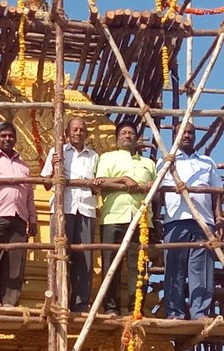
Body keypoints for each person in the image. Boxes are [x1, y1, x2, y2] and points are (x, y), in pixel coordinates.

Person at [159, 121, 224, 320]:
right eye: (183, 133)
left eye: (191, 133)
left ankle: (200, 312)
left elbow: (217, 193)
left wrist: (219, 217)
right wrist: (155, 219)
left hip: (203, 221)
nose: (187, 136)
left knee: (201, 269)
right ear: (175, 136)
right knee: (174, 268)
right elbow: (157, 195)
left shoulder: (206, 162)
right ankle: (175, 312)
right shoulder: (166, 162)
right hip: (175, 221)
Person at [95, 120, 156, 315]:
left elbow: (157, 189)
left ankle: (135, 309)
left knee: (139, 266)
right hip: (114, 215)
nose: (128, 136)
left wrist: (151, 186)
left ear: (137, 139)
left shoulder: (148, 163)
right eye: (124, 133)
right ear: (117, 138)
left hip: (141, 218)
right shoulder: (107, 157)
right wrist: (123, 180)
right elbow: (100, 182)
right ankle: (111, 308)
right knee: (111, 264)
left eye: (131, 133)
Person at [0, 122, 38, 308]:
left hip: (19, 218)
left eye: (10, 136)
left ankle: (11, 302)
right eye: (3, 136)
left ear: (16, 139)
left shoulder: (24, 167)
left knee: (15, 262)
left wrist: (32, 219)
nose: (7, 139)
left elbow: (29, 197)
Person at [40, 116, 99, 312]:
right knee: (60, 255)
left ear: (86, 133)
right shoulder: (56, 153)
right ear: (66, 133)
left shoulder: (94, 157)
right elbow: (46, 184)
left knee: (84, 259)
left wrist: (96, 185)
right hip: (62, 208)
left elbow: (98, 187)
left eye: (82, 129)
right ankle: (59, 299)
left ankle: (80, 304)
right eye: (74, 129)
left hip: (86, 210)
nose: (78, 133)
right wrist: (56, 171)